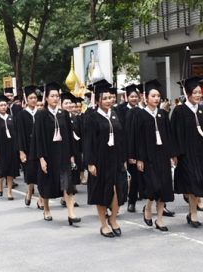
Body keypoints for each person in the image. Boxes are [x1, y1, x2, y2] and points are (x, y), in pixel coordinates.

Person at [32, 82, 80, 225]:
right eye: (52, 96)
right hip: (48, 155)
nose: (55, 98)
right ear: (46, 98)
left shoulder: (64, 114)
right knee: (47, 183)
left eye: (57, 96)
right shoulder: (41, 115)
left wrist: (71, 154)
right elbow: (38, 138)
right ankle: (46, 208)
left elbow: (69, 136)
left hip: (63, 154)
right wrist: (41, 158)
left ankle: (71, 214)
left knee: (67, 183)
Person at [84, 79, 127, 238]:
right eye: (105, 98)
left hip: (115, 160)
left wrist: (123, 158)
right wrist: (90, 163)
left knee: (117, 191)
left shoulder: (116, 115)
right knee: (102, 193)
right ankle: (104, 224)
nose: (109, 101)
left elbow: (122, 138)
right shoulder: (92, 118)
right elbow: (87, 142)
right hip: (100, 161)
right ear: (98, 100)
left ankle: (113, 219)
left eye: (111, 98)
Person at [171, 77, 203, 227]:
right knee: (192, 181)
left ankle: (191, 212)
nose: (198, 95)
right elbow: (173, 133)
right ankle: (193, 214)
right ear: (187, 94)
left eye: (199, 92)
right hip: (186, 153)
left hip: (201, 152)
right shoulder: (179, 111)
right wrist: (174, 153)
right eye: (195, 92)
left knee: (197, 182)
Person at [134, 79, 176, 232]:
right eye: (153, 96)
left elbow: (169, 136)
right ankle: (148, 207)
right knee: (153, 186)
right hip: (148, 156)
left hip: (163, 155)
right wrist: (139, 158)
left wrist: (172, 154)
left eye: (158, 96)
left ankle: (159, 219)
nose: (156, 99)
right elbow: (137, 138)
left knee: (164, 187)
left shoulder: (163, 115)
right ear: (146, 97)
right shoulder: (140, 115)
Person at [17, 85, 44, 208]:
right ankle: (29, 192)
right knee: (30, 174)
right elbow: (20, 134)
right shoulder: (21, 115)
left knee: (41, 174)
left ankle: (40, 199)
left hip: (40, 148)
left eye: (35, 98)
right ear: (26, 100)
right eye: (31, 98)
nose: (34, 100)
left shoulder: (41, 113)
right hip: (28, 149)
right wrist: (21, 151)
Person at [0, 95, 20, 200]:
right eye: (1, 105)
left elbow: (16, 133)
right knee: (2, 169)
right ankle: (0, 182)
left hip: (11, 147)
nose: (3, 107)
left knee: (11, 169)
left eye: (5, 105)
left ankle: (9, 191)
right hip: (0, 148)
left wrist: (18, 148)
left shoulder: (12, 118)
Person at [124, 84, 142, 213]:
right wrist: (129, 154)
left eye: (136, 96)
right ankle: (131, 202)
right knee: (134, 177)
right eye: (132, 96)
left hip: (143, 150)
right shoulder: (121, 111)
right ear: (127, 97)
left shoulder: (142, 111)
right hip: (130, 150)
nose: (134, 98)